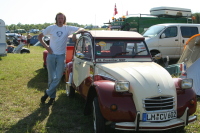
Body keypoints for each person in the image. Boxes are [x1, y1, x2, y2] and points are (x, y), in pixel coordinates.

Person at [38, 12, 84, 105]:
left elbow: (82, 29)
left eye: (62, 18)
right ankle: (52, 97)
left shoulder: (67, 28)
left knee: (58, 77)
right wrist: (47, 47)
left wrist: (75, 33)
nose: (60, 20)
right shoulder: (51, 28)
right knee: (51, 77)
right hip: (51, 55)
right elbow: (40, 37)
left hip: (61, 56)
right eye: (59, 18)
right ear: (56, 19)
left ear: (64, 19)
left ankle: (47, 93)